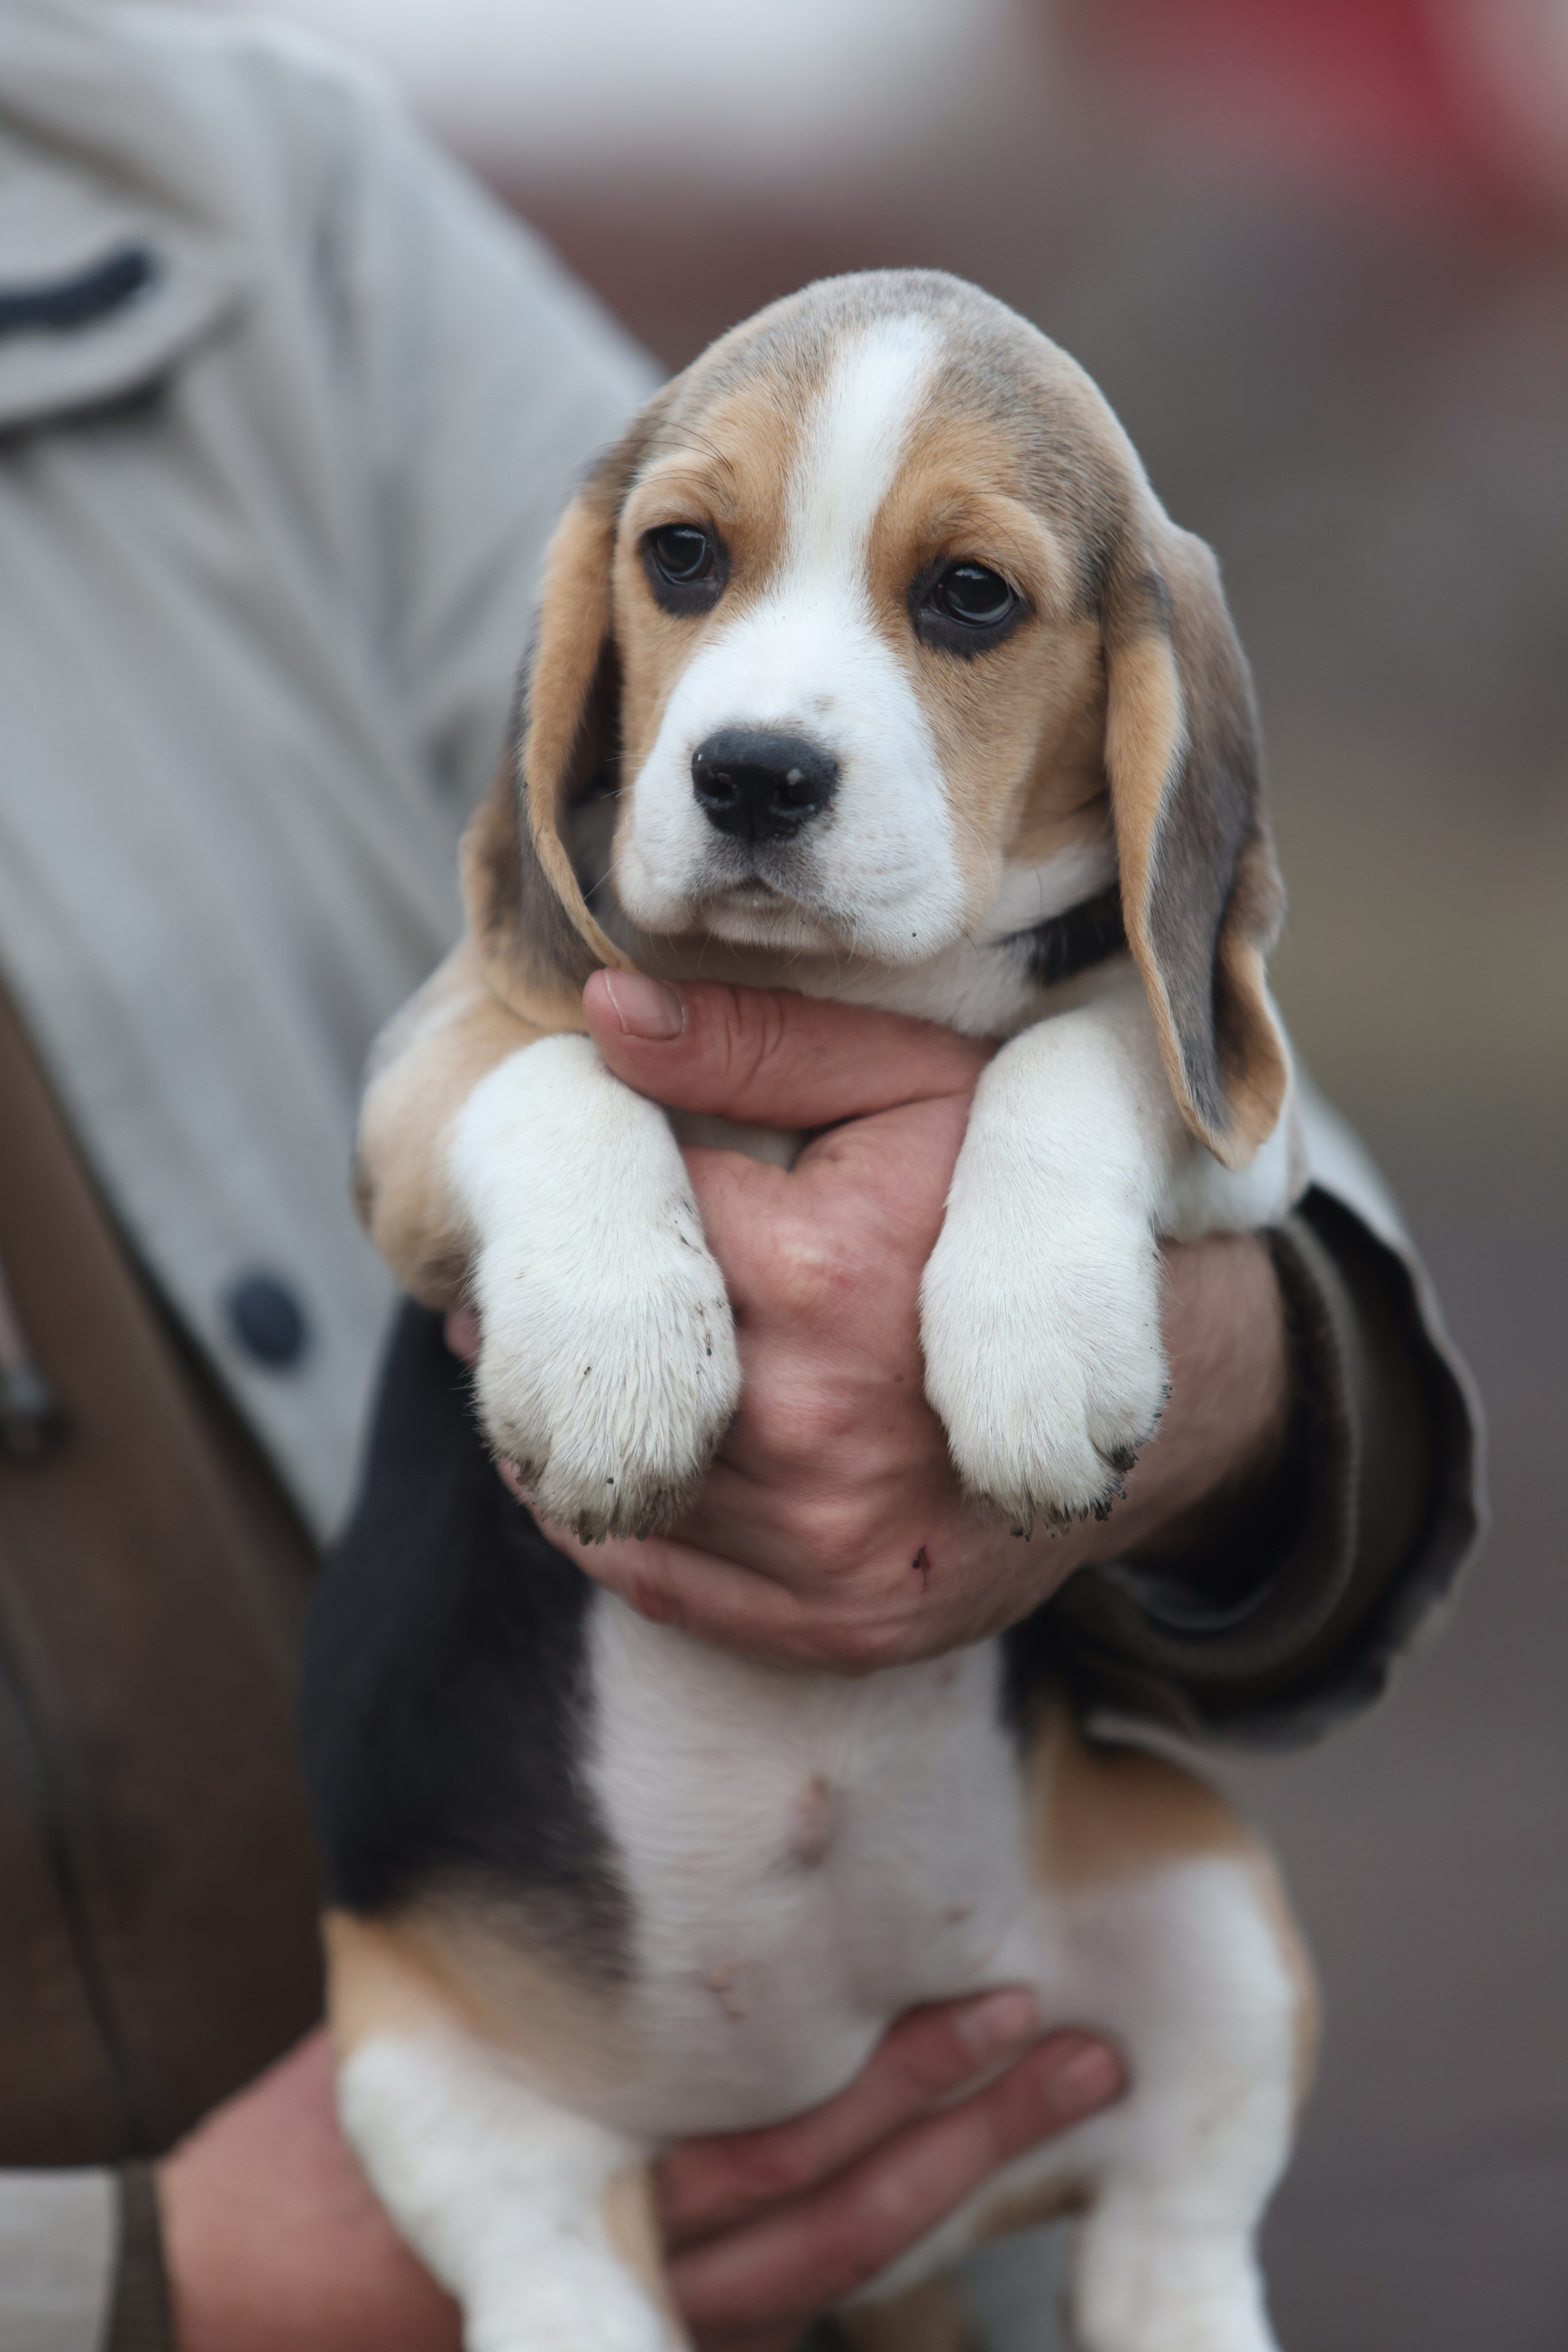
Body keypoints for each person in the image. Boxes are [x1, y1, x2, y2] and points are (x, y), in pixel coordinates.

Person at [0, 5, 1480, 2350]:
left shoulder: (223, 190)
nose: (766, 723)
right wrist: (138, 2290)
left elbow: (1260, 1145)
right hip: (461, 2075)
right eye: (701, 568)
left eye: (961, 600)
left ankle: (1174, 2259)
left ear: (1137, 706)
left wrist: (1196, 1351)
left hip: (982, 2046)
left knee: (1201, 1975)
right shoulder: (557, 956)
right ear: (607, 623)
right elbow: (466, 1067)